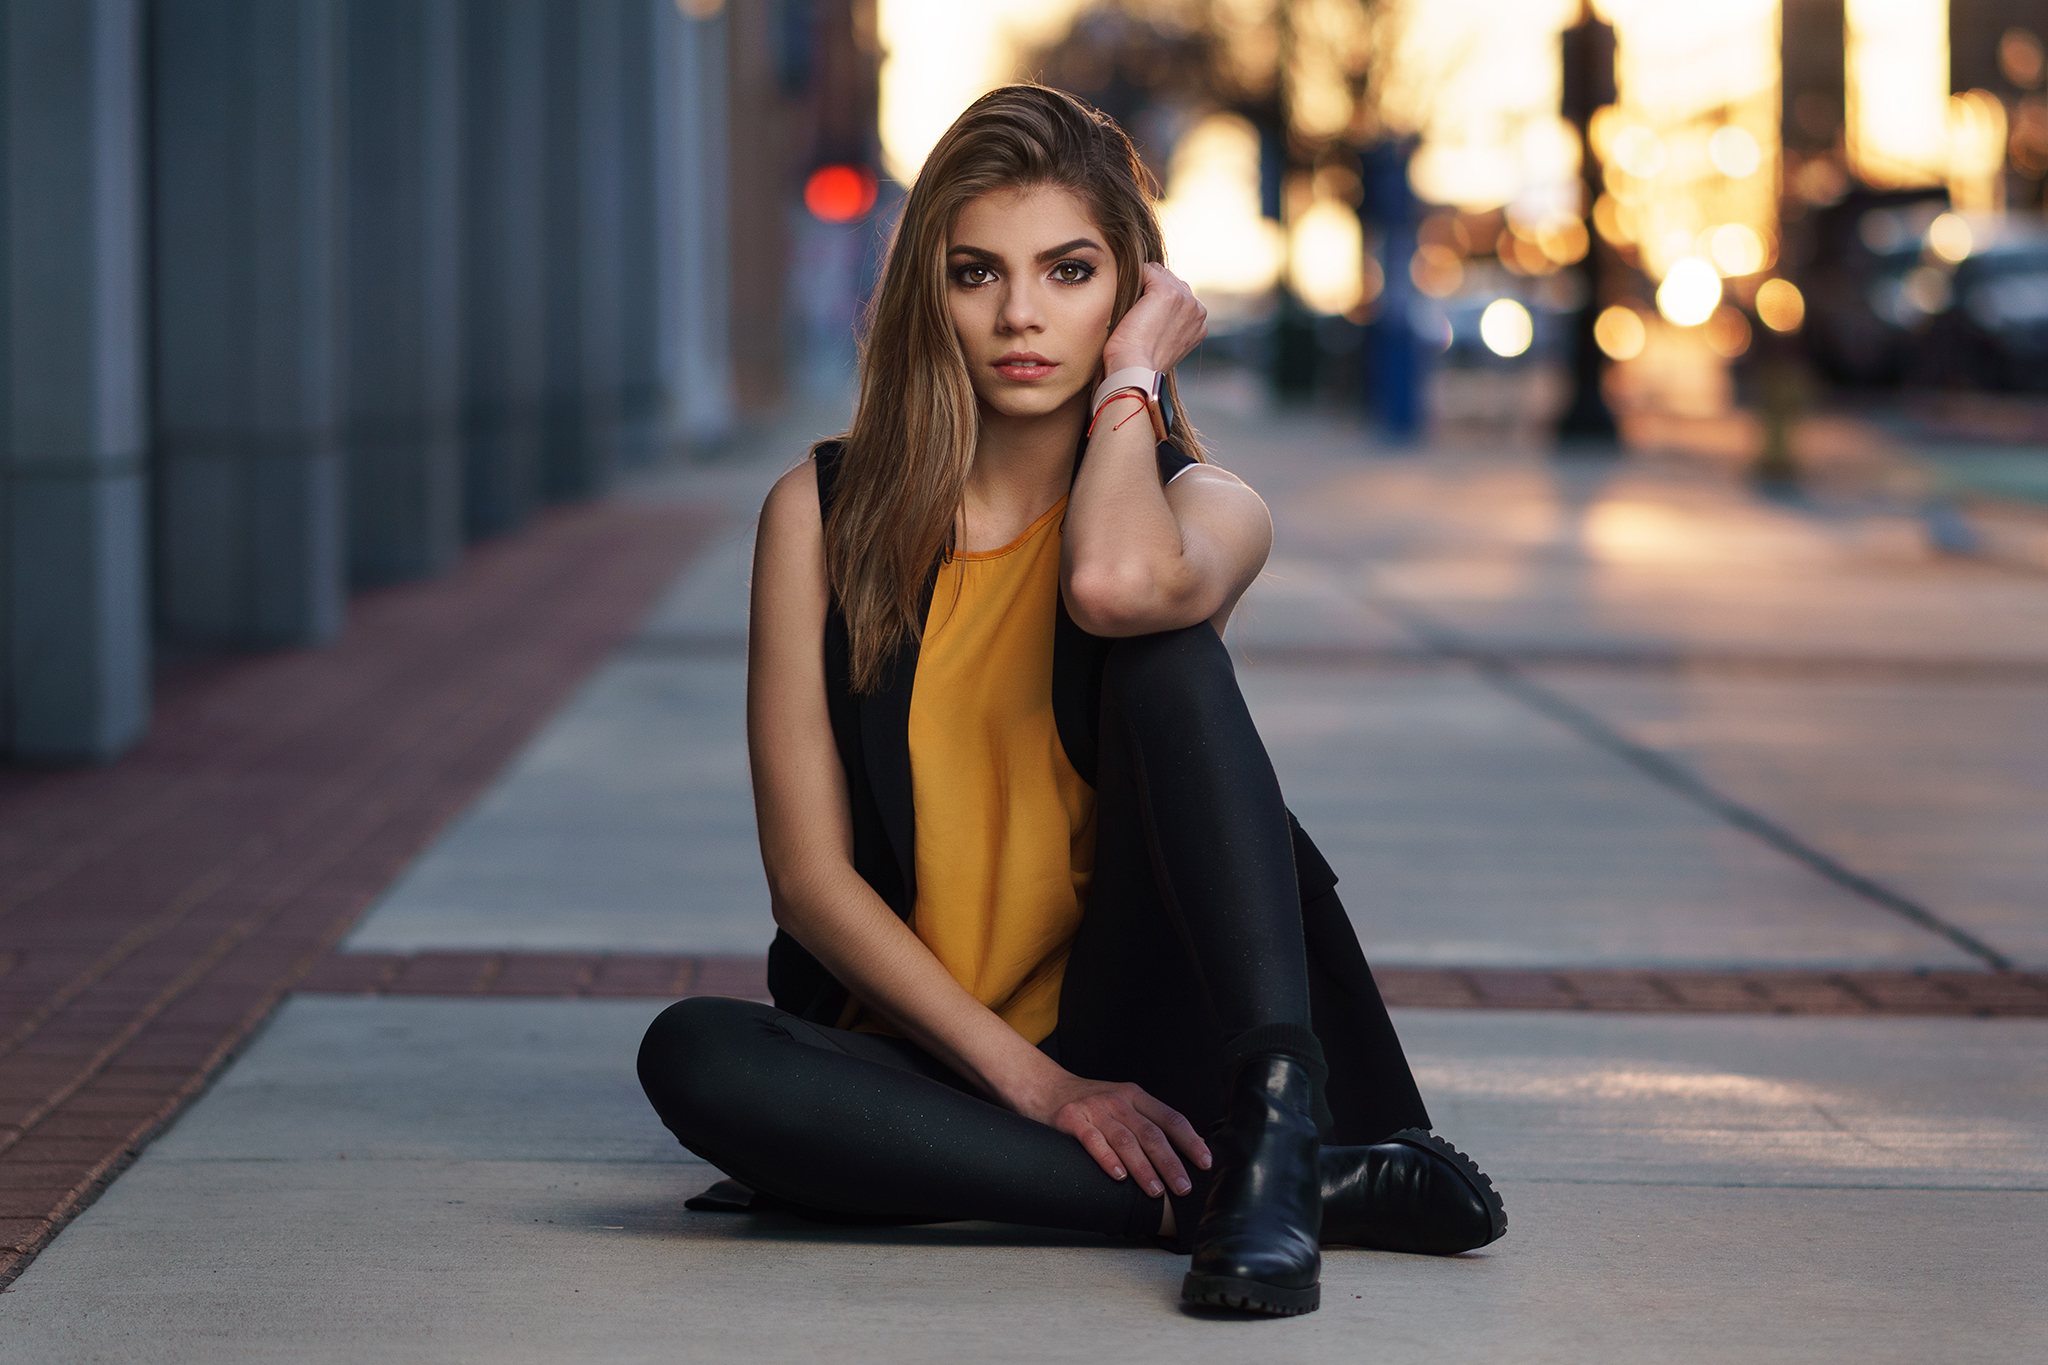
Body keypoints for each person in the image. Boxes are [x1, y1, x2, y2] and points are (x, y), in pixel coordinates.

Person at [638, 84, 1504, 1317]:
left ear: (1134, 289)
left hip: (1158, 1059)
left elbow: (1108, 585)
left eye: (1069, 270)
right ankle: (1268, 1188)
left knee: (1163, 644)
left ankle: (1273, 1108)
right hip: (929, 1061)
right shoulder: (822, 514)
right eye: (975, 273)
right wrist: (1036, 1092)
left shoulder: (1208, 505)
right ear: (927, 296)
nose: (1020, 315)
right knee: (695, 1054)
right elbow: (810, 884)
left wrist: (1131, 382)